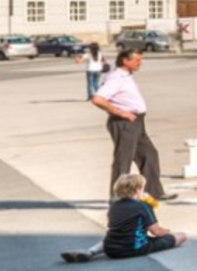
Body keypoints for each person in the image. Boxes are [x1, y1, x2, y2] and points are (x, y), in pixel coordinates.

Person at [91, 50, 175, 202]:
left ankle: (154, 191)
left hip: (137, 122)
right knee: (123, 161)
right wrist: (120, 113)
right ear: (125, 61)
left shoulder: (126, 76)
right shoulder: (116, 78)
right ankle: (118, 199)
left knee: (149, 154)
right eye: (136, 60)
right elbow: (98, 99)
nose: (140, 63)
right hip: (125, 123)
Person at [61, 172, 186, 263]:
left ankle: (90, 251)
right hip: (134, 248)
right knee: (181, 236)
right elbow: (156, 231)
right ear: (138, 189)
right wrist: (168, 232)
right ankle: (173, 237)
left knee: (116, 235)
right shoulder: (142, 206)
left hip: (111, 248)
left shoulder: (114, 206)